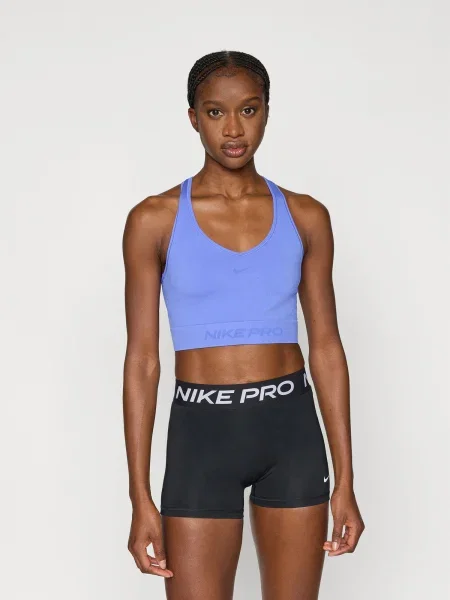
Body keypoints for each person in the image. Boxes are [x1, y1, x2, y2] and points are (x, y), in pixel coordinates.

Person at [122, 50, 365, 600]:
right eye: (215, 112)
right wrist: (140, 496)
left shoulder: (305, 216)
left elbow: (327, 348)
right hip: (200, 436)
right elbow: (142, 360)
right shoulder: (154, 219)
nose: (233, 129)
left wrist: (346, 480)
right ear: (193, 117)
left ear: (266, 113)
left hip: (290, 433)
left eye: (249, 110)